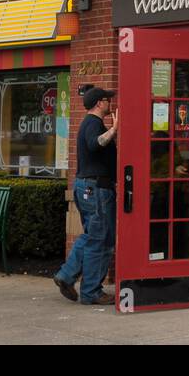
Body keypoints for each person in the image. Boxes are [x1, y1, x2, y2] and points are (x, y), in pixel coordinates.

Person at [53, 85, 118, 305]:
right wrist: (114, 129)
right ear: (100, 103)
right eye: (108, 100)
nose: (111, 103)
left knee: (94, 236)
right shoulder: (92, 123)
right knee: (99, 240)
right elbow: (95, 143)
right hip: (96, 189)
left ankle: (66, 275)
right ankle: (91, 292)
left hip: (90, 187)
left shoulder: (92, 123)